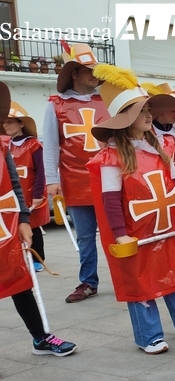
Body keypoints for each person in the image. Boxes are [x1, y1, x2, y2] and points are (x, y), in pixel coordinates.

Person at [87, 65, 175, 354]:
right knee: (140, 280)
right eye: (141, 111)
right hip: (137, 232)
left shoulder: (159, 147)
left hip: (170, 225)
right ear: (126, 117)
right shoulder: (112, 156)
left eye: (147, 110)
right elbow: (110, 199)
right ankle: (149, 335)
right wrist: (119, 233)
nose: (148, 115)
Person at [0, 82, 77, 357]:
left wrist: (22, 219)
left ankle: (41, 338)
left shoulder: (2, 146)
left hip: (5, 228)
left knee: (19, 282)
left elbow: (13, 183)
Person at [42, 43, 110, 303]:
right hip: (75, 180)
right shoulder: (56, 105)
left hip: (108, 177)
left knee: (116, 231)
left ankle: (126, 276)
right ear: (73, 73)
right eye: (87, 70)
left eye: (95, 70)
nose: (94, 75)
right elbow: (51, 144)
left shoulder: (107, 101)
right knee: (85, 236)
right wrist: (52, 180)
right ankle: (88, 281)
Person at [3, 102, 48, 272]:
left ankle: (38, 258)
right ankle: (18, 258)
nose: (6, 125)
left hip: (29, 192)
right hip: (11, 194)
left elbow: (41, 170)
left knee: (33, 226)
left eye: (10, 122)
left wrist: (38, 194)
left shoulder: (33, 144)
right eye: (4, 122)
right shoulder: (4, 145)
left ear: (21, 124)